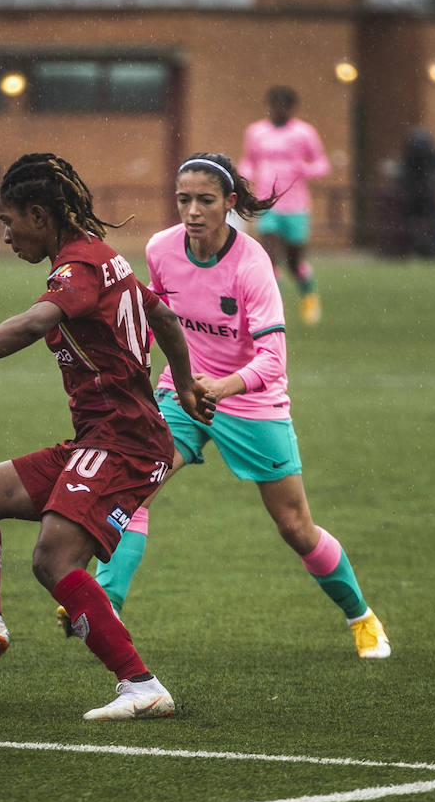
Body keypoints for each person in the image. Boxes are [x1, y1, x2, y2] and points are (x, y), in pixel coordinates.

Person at [0, 152, 214, 720]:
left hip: (126, 443)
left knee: (53, 558)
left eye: (9, 222)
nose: (5, 235)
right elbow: (165, 319)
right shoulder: (105, 258)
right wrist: (189, 384)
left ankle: (141, 686)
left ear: (40, 215)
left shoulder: (77, 269)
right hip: (99, 438)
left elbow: (31, 325)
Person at [67, 152, 391, 659]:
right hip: (182, 394)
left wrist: (220, 387)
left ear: (230, 203)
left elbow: (273, 362)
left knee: (295, 528)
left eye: (205, 200)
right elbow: (160, 321)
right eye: (183, 200)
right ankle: (106, 602)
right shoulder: (161, 249)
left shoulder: (253, 264)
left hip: (251, 403)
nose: (192, 211)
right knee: (132, 491)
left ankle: (361, 616)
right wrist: (146, 376)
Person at [238, 86, 329, 325]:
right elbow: (249, 160)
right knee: (269, 254)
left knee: (294, 262)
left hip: (296, 206)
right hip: (267, 203)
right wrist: (244, 175)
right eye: (275, 105)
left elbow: (322, 164)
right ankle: (273, 306)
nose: (279, 110)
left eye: (284, 105)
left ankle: (309, 295)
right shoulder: (256, 132)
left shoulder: (304, 133)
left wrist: (306, 169)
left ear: (291, 108)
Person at [398, 128, 435, 257]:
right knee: (420, 222)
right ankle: (424, 248)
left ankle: (430, 248)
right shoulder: (422, 156)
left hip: (424, 196)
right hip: (418, 196)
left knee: (429, 222)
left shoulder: (425, 156)